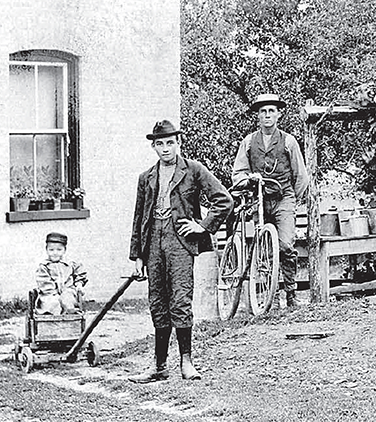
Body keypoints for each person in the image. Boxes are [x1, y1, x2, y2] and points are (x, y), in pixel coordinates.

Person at [128, 120, 233, 383]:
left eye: (170, 143)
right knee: (158, 302)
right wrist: (138, 256)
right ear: (153, 146)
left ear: (178, 143)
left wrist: (202, 227)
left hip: (180, 241)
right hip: (153, 241)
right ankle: (159, 366)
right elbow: (139, 216)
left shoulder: (193, 170)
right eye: (160, 144)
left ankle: (187, 362)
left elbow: (224, 200)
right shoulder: (146, 177)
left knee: (180, 299)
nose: (166, 149)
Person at [231, 93, 309, 308]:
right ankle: (270, 296)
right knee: (263, 247)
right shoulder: (248, 142)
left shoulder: (288, 141)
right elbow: (238, 173)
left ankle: (291, 293)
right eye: (263, 111)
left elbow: (301, 176)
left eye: (271, 111)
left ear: (279, 114)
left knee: (285, 245)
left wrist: (293, 201)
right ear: (257, 115)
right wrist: (248, 179)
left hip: (284, 199)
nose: (267, 115)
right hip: (259, 200)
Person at [34, 232, 88, 315]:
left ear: (64, 250)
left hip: (67, 291)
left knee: (68, 299)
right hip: (49, 294)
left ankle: (70, 318)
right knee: (52, 303)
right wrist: (56, 295)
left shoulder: (69, 264)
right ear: (46, 250)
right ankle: (53, 321)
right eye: (51, 250)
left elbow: (80, 272)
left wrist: (79, 284)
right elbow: (44, 283)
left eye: (59, 250)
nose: (55, 253)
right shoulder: (44, 266)